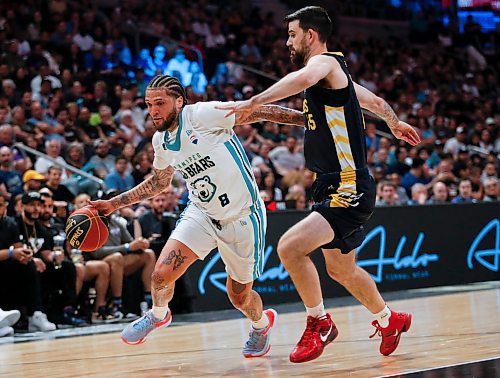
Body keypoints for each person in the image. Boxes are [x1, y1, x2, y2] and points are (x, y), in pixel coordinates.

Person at [218, 6, 420, 363]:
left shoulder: (324, 64)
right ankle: (389, 320)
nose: (287, 41)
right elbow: (374, 102)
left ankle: (319, 322)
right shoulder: (335, 77)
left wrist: (255, 99)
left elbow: (299, 80)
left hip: (349, 185)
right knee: (341, 269)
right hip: (331, 184)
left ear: (310, 35)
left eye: (292, 34)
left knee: (290, 247)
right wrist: (394, 122)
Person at [91, 74, 303, 356]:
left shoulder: (202, 115)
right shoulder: (160, 142)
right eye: (148, 104)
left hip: (241, 215)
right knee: (160, 275)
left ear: (179, 102)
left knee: (239, 296)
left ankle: (261, 325)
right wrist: (112, 204)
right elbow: (159, 183)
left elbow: (256, 111)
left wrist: (308, 120)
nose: (153, 110)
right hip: (201, 213)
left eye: (160, 103)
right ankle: (158, 314)